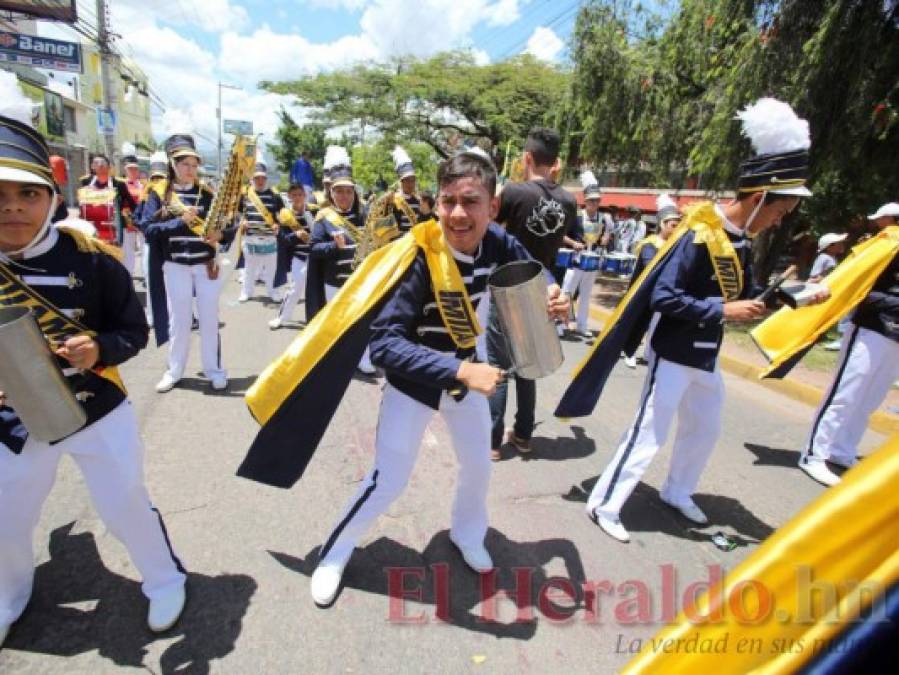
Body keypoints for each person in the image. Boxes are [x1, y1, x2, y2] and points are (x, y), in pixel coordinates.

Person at [304, 148, 570, 606]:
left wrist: (551, 291)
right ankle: (335, 551)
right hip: (416, 385)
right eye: (448, 201)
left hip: (467, 382)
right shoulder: (416, 256)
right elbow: (384, 346)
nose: (458, 214)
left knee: (478, 466)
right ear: (436, 203)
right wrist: (463, 368)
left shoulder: (499, 242)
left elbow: (534, 266)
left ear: (492, 207)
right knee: (387, 479)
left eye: (471, 202)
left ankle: (467, 533)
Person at [557, 98, 825, 543]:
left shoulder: (738, 241)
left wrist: (797, 297)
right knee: (650, 431)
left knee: (706, 427)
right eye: (778, 211)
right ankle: (604, 503)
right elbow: (665, 296)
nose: (779, 220)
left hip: (706, 355)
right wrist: (722, 310)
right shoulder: (700, 234)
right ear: (758, 199)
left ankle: (677, 491)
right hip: (673, 351)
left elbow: (745, 297)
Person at [0, 79, 186, 646]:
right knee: (7, 517)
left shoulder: (95, 261)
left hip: (96, 407)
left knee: (124, 500)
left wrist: (100, 349)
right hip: (13, 423)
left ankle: (164, 577)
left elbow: (135, 331)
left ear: (51, 198)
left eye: (27, 195)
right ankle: (10, 594)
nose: (12, 208)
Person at [488, 127, 576, 460]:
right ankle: (523, 434)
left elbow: (491, 226)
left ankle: (492, 442)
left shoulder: (514, 192)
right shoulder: (569, 201)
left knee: (498, 364)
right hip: (543, 285)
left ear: (527, 158)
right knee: (529, 361)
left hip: (507, 283)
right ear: (555, 162)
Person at [798, 202, 899, 486]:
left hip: (895, 338)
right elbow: (858, 291)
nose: (880, 225)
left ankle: (842, 450)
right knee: (845, 394)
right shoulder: (880, 249)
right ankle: (813, 454)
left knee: (871, 398)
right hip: (870, 330)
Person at [141, 133, 234, 393]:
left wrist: (221, 235)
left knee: (208, 319)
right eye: (185, 164)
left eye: (194, 165)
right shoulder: (159, 194)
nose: (190, 170)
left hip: (205, 266)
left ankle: (214, 370)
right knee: (179, 321)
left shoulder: (206, 194)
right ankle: (174, 370)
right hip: (175, 266)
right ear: (173, 164)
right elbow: (148, 230)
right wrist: (180, 222)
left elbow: (229, 223)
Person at [307, 145, 375, 374]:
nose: (344, 196)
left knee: (361, 322)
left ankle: (363, 358)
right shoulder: (324, 217)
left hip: (360, 279)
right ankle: (335, 358)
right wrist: (333, 247)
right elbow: (314, 248)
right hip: (334, 281)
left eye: (348, 191)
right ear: (332, 194)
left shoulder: (365, 215)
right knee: (336, 323)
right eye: (339, 191)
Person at [623, 195, 683, 368]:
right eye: (673, 225)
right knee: (639, 322)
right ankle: (630, 352)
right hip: (644, 293)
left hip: (663, 292)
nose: (676, 228)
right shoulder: (649, 245)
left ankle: (650, 353)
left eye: (677, 225)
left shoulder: (676, 246)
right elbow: (652, 267)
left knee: (657, 324)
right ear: (662, 224)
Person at [561, 170, 607, 338]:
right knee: (567, 292)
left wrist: (605, 239)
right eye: (591, 201)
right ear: (585, 201)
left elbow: (604, 236)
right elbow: (561, 235)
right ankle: (559, 324)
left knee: (586, 295)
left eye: (597, 201)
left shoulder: (603, 218)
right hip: (576, 260)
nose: (594, 204)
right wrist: (574, 244)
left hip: (592, 261)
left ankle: (582, 325)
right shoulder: (576, 216)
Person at [237, 158, 285, 304]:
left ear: (266, 178)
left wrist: (278, 225)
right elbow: (238, 213)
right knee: (249, 269)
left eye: (262, 178)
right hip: (251, 238)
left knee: (271, 269)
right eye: (257, 178)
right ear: (252, 179)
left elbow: (282, 216)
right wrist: (242, 221)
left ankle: (273, 292)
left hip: (269, 239)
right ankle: (246, 292)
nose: (260, 181)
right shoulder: (245, 195)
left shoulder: (275, 196)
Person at [269, 183, 314, 329]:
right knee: (295, 288)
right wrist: (296, 235)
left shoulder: (314, 212)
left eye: (300, 194)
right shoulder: (286, 215)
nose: (297, 198)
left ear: (305, 196)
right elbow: (284, 239)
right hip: (299, 257)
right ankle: (282, 318)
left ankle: (315, 320)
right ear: (289, 196)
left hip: (315, 258)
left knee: (315, 291)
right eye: (294, 195)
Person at [77, 153, 136, 246]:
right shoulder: (86, 182)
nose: (100, 165)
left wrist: (130, 222)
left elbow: (131, 205)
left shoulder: (118, 184)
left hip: (113, 232)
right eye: (96, 163)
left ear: (109, 167)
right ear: (92, 166)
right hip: (90, 232)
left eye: (102, 163)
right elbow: (82, 207)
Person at [119, 143, 145, 276]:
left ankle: (146, 274)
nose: (133, 172)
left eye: (135, 169)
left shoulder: (144, 185)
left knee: (144, 246)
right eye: (130, 169)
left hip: (141, 219)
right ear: (125, 170)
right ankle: (128, 274)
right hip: (127, 218)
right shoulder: (120, 184)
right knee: (128, 248)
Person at [390, 145, 421, 233]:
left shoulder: (418, 200)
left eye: (412, 180)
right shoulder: (395, 201)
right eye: (407, 180)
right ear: (401, 182)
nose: (410, 184)